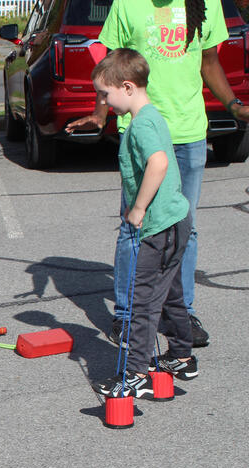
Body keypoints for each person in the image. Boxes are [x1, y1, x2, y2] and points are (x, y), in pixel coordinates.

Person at [68, 0, 249, 349]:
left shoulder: (206, 3)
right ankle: (127, 315)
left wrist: (234, 106)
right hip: (140, 131)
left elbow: (209, 62)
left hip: (188, 132)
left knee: (185, 227)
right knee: (134, 226)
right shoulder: (126, 4)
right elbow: (111, 67)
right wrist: (101, 112)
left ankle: (181, 313)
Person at [89, 49, 196, 398]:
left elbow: (159, 163)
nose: (104, 101)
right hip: (175, 222)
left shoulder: (141, 125)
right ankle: (182, 356)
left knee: (143, 301)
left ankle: (135, 374)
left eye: (105, 94)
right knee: (171, 293)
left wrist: (138, 208)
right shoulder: (152, 115)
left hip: (161, 227)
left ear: (127, 87)